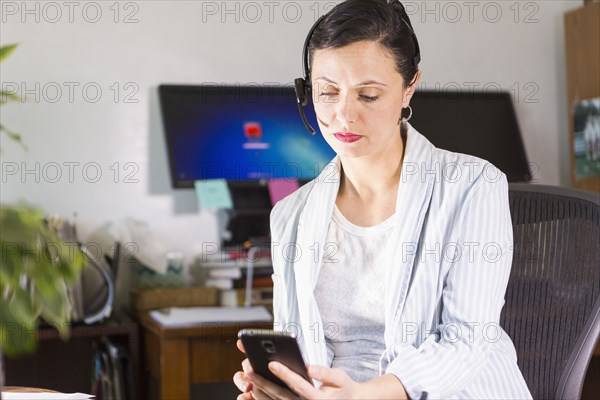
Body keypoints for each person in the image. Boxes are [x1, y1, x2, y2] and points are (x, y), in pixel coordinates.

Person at [233, 0, 533, 398]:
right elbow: (300, 343)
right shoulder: (292, 214)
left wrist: (368, 393)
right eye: (327, 92)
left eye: (369, 95)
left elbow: (468, 340)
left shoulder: (473, 185)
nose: (344, 115)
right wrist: (283, 383)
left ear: (410, 87)